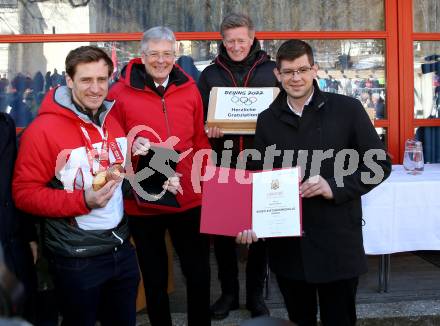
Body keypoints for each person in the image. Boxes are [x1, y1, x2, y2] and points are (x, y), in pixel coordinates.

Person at [236, 39, 392, 326]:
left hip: (337, 245)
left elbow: (379, 165)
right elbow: (257, 178)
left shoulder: (348, 109)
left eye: (302, 70)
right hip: (289, 249)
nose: (296, 78)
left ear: (314, 70)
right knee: (300, 320)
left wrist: (333, 186)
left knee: (340, 321)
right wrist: (246, 221)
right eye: (288, 72)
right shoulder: (267, 120)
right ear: (277, 75)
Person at [12, 46, 140, 326]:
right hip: (77, 260)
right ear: (69, 81)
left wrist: (156, 175)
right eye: (86, 80)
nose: (95, 88)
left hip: (121, 251)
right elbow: (24, 194)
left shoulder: (113, 122)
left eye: (102, 79)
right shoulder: (42, 131)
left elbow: (121, 183)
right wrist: (83, 201)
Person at [108, 26, 212, 326]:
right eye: (154, 54)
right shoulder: (119, 93)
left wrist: (200, 180)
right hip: (145, 198)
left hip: (189, 197)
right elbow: (111, 144)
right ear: (142, 56)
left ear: (176, 55)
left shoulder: (190, 88)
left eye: (167, 54)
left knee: (198, 272)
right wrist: (131, 144)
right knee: (153, 276)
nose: (160, 60)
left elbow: (199, 141)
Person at [197, 13, 277, 320]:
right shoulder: (209, 74)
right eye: (229, 41)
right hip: (224, 162)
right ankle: (229, 294)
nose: (235, 46)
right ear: (222, 40)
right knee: (223, 234)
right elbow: (200, 116)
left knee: (262, 234)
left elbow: (286, 111)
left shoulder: (272, 70)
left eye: (241, 40)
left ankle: (256, 296)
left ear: (253, 37)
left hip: (263, 161)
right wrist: (209, 126)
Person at [0, 112, 38, 323]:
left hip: (15, 246)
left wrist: (29, 234)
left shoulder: (5, 124)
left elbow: (17, 186)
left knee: (23, 311)